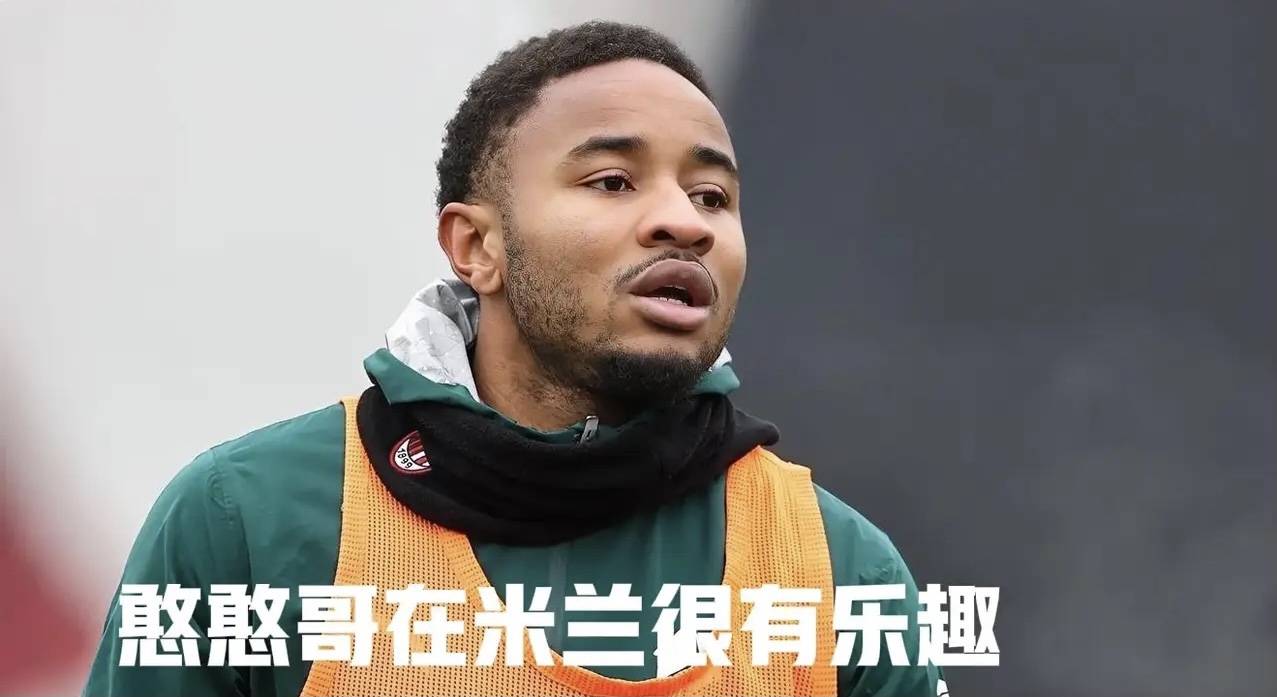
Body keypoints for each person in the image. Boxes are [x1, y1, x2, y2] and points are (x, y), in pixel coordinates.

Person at [84, 21, 946, 697]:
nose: (683, 221)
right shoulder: (245, 520)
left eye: (711, 195)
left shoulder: (837, 570)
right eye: (612, 181)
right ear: (476, 247)